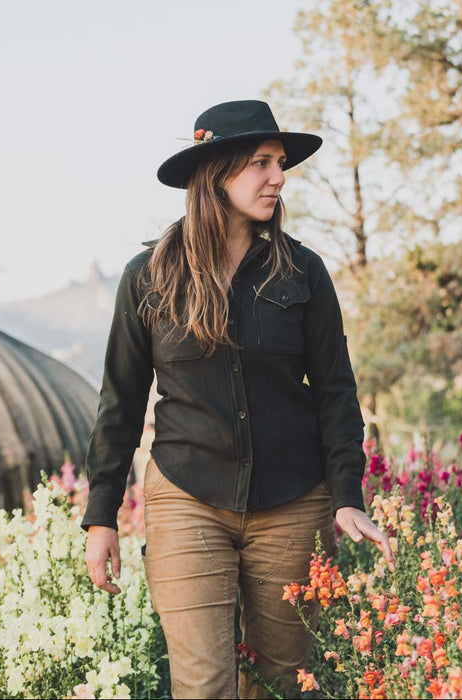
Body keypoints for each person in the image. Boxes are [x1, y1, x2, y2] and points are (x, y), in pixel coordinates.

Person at [81, 99, 394, 699]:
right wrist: (102, 517)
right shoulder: (147, 277)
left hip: (293, 501)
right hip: (187, 495)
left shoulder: (303, 272)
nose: (278, 177)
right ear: (215, 173)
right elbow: (119, 402)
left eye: (280, 163)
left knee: (282, 682)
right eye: (260, 163)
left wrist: (347, 495)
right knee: (203, 685)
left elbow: (335, 392)